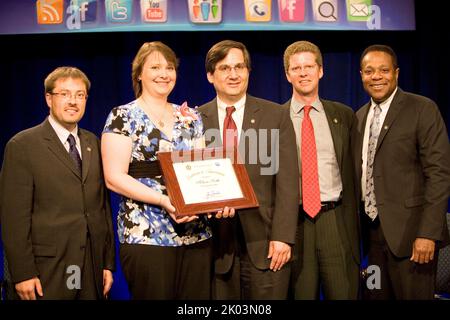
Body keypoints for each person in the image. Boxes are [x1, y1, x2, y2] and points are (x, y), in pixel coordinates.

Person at [101, 41, 221, 299]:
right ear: (139, 74)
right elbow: (113, 177)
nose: (164, 73)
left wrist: (210, 201)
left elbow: (202, 170)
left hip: (196, 235)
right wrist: (164, 200)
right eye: (155, 67)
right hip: (146, 235)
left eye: (169, 67)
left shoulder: (190, 116)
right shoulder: (123, 116)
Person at [0, 66, 115, 300]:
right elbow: (14, 218)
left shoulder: (93, 141)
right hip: (45, 272)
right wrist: (22, 273)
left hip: (91, 268)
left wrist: (106, 263)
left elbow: (101, 207)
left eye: (80, 95)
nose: (73, 101)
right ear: (48, 98)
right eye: (65, 94)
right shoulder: (22, 145)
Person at [198, 40, 299, 299]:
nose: (234, 74)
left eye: (239, 67)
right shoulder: (194, 120)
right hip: (214, 247)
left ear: (248, 71)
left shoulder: (275, 115)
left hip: (266, 243)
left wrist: (283, 237)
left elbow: (287, 183)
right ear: (210, 75)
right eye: (224, 68)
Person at [353, 44, 450, 299]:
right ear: (361, 75)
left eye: (384, 70)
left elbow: (438, 174)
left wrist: (428, 233)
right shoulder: (360, 117)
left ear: (396, 73)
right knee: (374, 295)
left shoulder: (422, 109)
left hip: (413, 240)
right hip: (371, 241)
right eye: (369, 71)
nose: (376, 76)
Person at [282, 41, 360, 299]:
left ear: (320, 71)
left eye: (309, 66)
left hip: (334, 220)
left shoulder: (344, 115)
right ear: (287, 74)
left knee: (343, 293)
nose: (303, 73)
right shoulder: (274, 118)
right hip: (294, 223)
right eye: (296, 68)